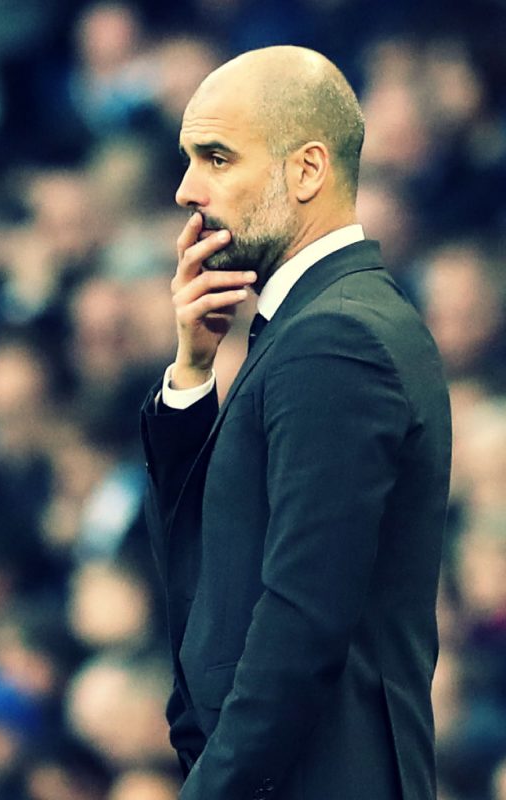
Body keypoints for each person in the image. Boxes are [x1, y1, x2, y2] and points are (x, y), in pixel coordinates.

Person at [140, 47, 451, 799]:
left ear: (307, 170)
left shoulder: (335, 338)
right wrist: (191, 371)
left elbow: (297, 626)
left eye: (217, 157)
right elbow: (214, 568)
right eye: (189, 159)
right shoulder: (315, 325)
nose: (187, 190)